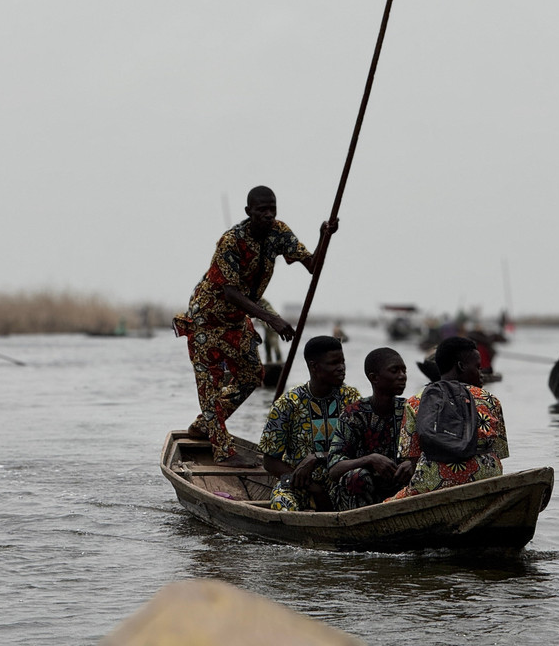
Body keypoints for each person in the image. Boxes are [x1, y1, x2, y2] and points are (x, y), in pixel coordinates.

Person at [173, 186, 337, 468]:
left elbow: (312, 265)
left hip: (236, 320)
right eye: (262, 210)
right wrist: (271, 319)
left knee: (252, 376)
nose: (268, 214)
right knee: (210, 385)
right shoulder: (231, 242)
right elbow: (230, 293)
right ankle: (223, 452)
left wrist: (325, 236)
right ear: (249, 212)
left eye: (272, 208)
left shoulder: (279, 232)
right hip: (207, 319)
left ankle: (206, 424)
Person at [387, 336, 509, 502]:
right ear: (460, 366)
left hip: (433, 482)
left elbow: (413, 459)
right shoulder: (490, 400)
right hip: (485, 479)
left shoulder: (415, 401)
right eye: (478, 368)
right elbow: (499, 453)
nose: (481, 373)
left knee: (389, 503)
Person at [258, 335, 361, 511]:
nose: (342, 368)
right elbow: (270, 460)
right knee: (282, 503)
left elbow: (360, 449)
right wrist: (312, 487)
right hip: (301, 486)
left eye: (342, 362)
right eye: (334, 363)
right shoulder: (288, 403)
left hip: (341, 481)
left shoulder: (351, 398)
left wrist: (319, 457)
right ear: (314, 367)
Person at [327, 347, 413, 510]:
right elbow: (334, 469)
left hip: (401, 491)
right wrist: (370, 460)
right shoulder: (353, 415)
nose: (402, 376)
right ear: (374, 378)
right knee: (356, 476)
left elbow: (431, 450)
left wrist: (412, 463)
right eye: (395, 371)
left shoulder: (411, 410)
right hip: (362, 496)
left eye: (404, 370)